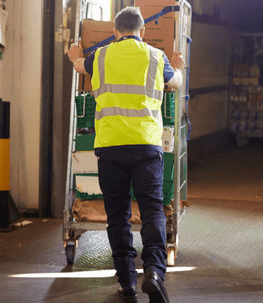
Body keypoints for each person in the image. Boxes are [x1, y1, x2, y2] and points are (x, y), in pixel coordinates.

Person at [67, 6, 184, 303]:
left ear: (116, 32)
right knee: (152, 211)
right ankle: (155, 273)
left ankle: (127, 282)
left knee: (117, 216)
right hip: (147, 146)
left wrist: (74, 55)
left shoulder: (101, 56)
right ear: (142, 31)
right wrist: (179, 65)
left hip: (110, 147)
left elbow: (81, 66)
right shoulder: (156, 57)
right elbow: (175, 82)